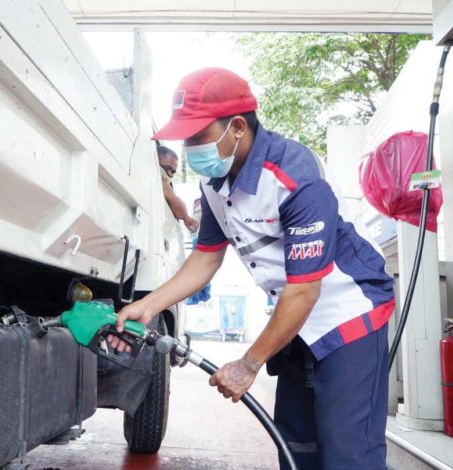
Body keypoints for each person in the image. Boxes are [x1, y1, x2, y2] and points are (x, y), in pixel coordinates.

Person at [110, 67, 395, 469]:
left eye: (198, 136)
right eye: (184, 138)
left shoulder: (294, 177)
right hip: (295, 321)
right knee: (297, 449)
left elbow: (305, 290)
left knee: (348, 453)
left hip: (349, 314)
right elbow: (207, 256)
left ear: (238, 127)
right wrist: (151, 305)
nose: (190, 149)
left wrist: (248, 364)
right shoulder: (216, 183)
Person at [157, 145, 199, 232]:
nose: (169, 174)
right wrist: (186, 217)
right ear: (155, 160)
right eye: (168, 168)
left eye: (173, 171)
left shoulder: (162, 181)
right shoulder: (160, 180)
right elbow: (176, 203)